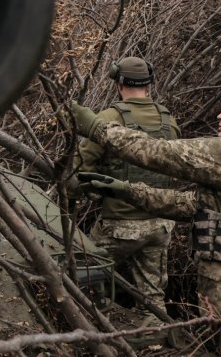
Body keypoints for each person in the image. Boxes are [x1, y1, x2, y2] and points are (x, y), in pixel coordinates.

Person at [71, 84, 221, 356]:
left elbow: (161, 152)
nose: (220, 115)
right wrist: (124, 190)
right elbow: (192, 206)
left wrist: (97, 128)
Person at [72, 57, 180, 331]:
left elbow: (83, 167)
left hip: (120, 226)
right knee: (153, 294)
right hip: (161, 225)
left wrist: (86, 192)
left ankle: (91, 328)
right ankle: (156, 337)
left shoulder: (109, 119)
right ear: (149, 84)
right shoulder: (169, 121)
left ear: (118, 83)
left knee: (81, 269)